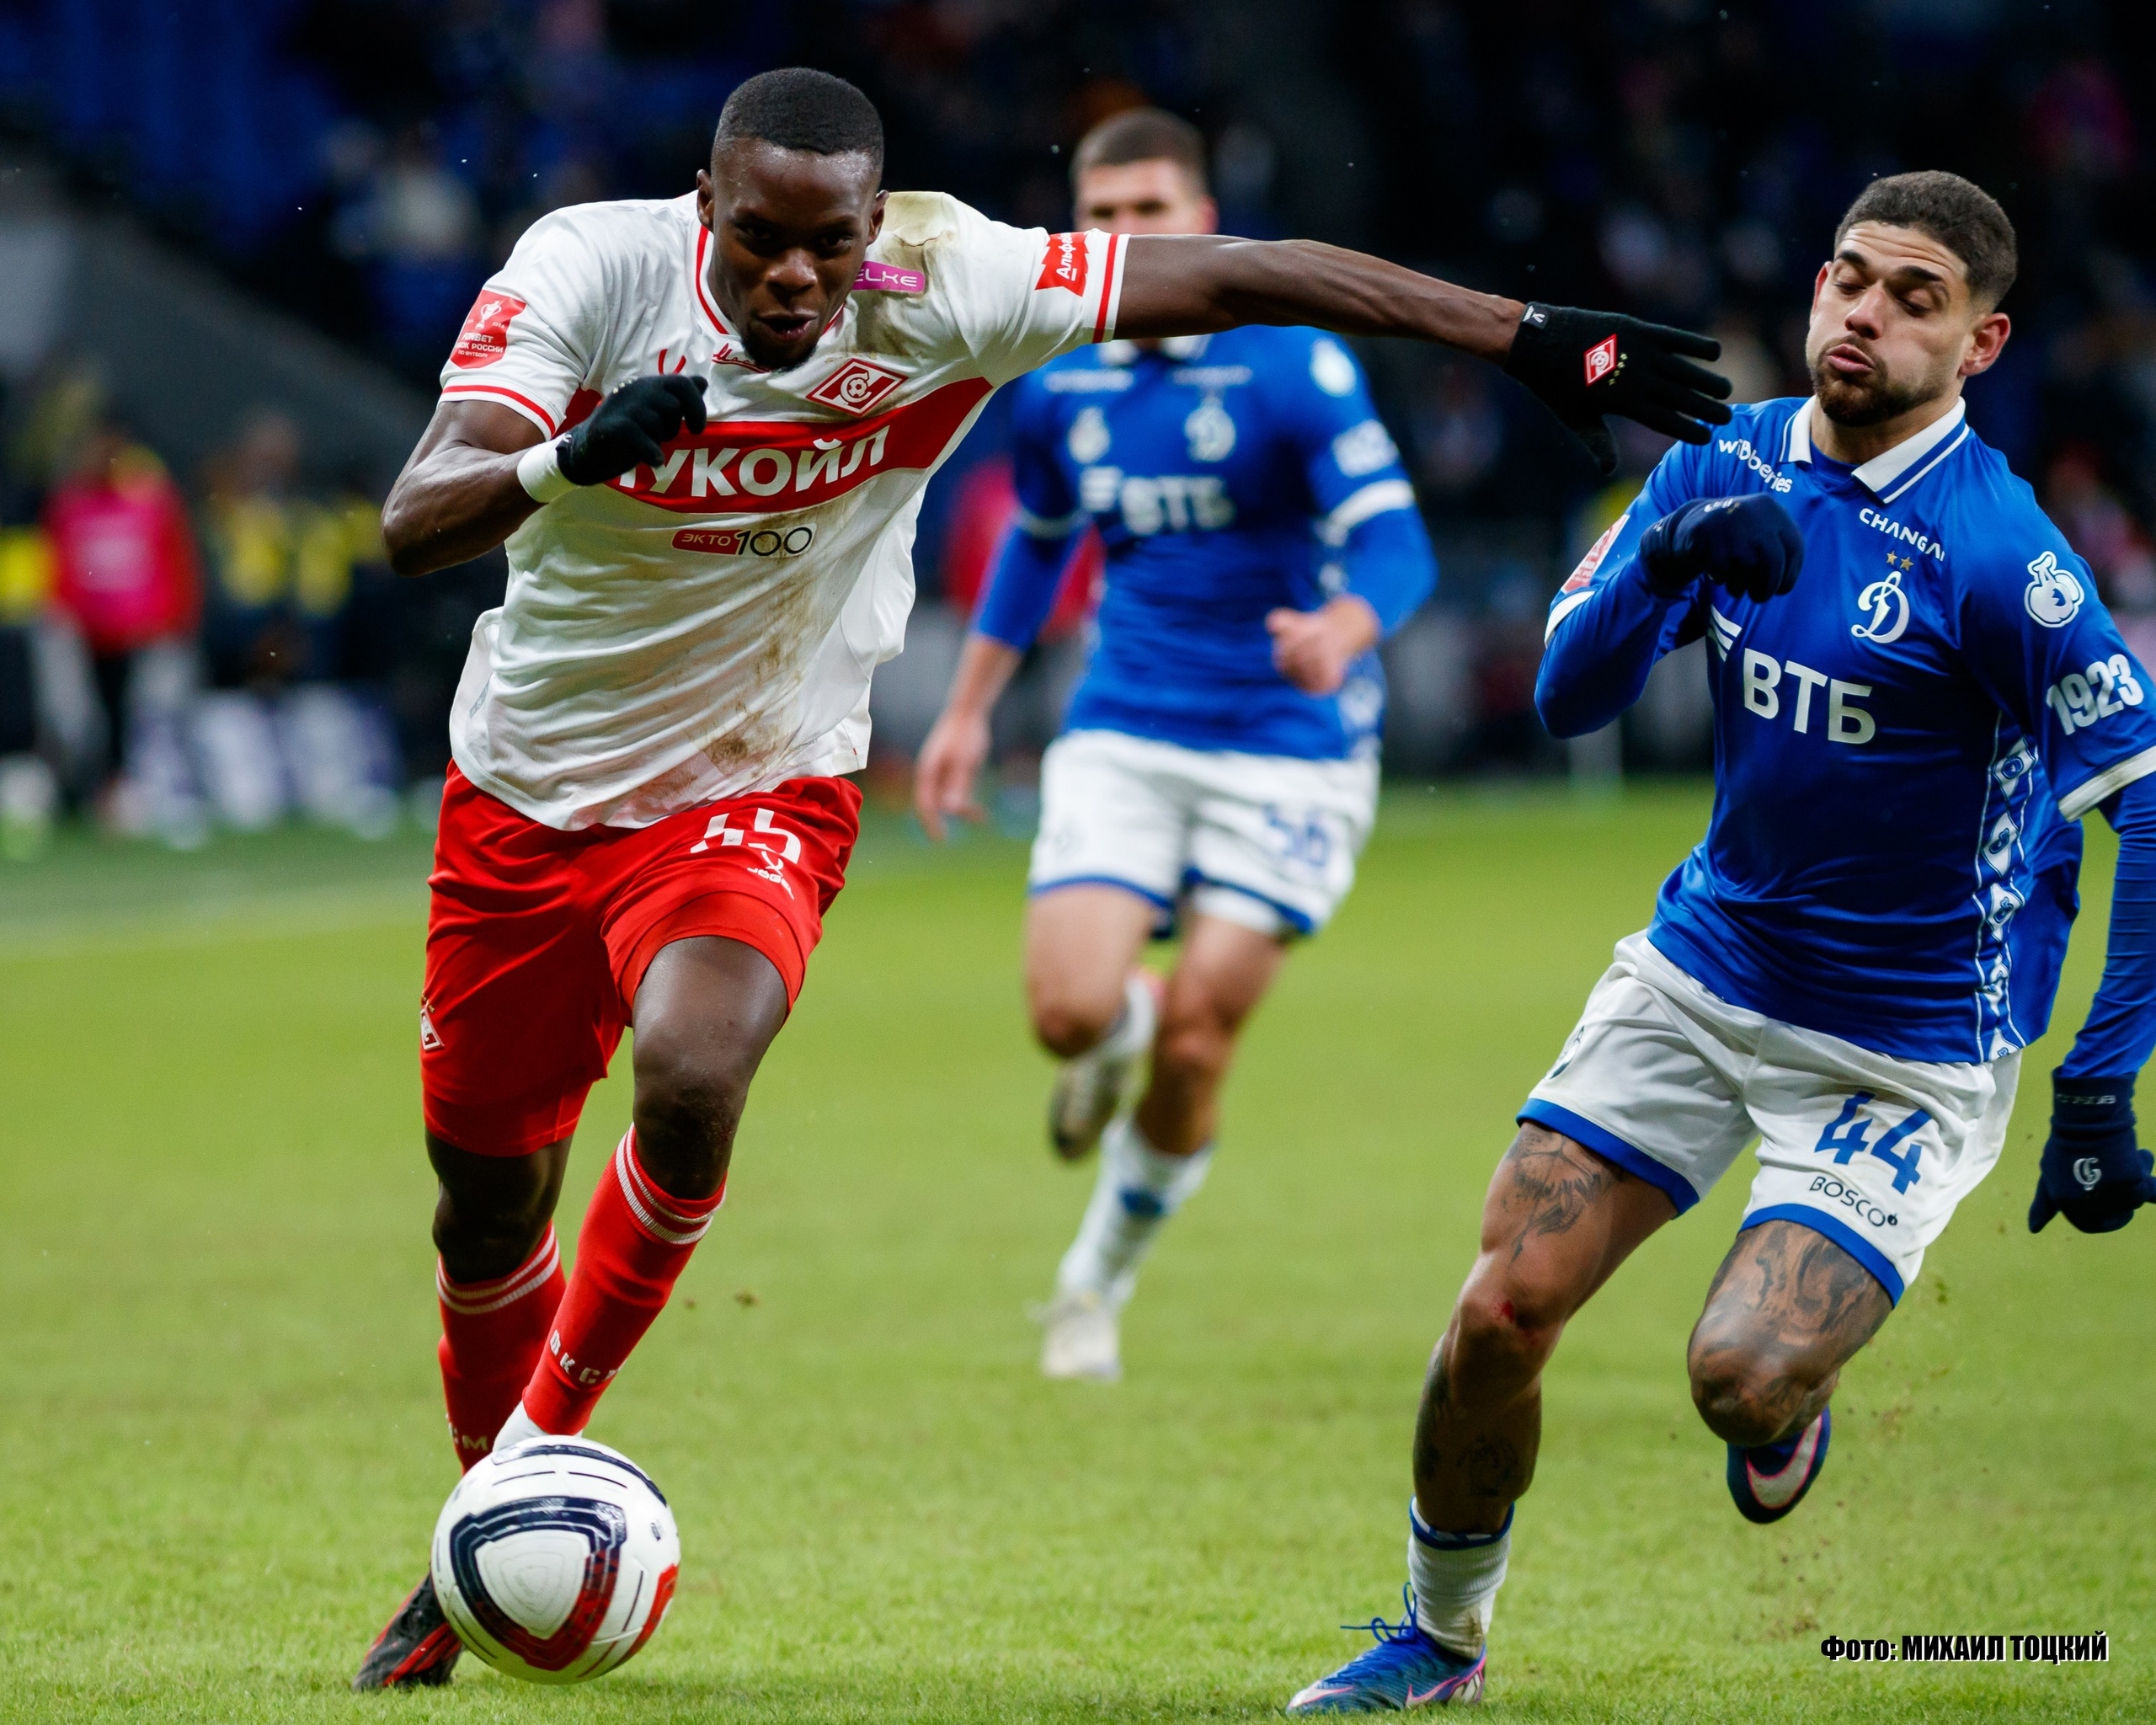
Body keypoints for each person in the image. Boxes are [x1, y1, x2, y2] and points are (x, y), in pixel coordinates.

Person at [350, 66, 1732, 1689]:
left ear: (875, 225)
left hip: (760, 782)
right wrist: (568, 460)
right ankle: (492, 1514)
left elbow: (1248, 273)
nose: (795, 279)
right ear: (702, 209)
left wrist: (1520, 337)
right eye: (758, 243)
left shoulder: (948, 279)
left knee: (697, 1067)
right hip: (524, 802)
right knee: (486, 1206)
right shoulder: (588, 269)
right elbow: (409, 519)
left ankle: (512, 1502)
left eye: (830, 245)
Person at [1288, 170, 2156, 1714]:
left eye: (1915, 298)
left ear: (1984, 342)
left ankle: (1783, 1407)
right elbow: (1567, 697)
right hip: (1703, 977)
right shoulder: (1723, 458)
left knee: (1735, 1374)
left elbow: (2141, 809)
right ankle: (1439, 1638)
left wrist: (2099, 1082)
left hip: (1901, 1055)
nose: (1865, 314)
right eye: (1848, 278)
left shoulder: (2004, 561)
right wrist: (1670, 556)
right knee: (1497, 1312)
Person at [911, 109, 1438, 1381]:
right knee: (1066, 1011)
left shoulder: (1290, 367)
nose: (1125, 236)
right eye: (1101, 216)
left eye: (1150, 211)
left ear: (1202, 221)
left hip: (1290, 741)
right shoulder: (1060, 377)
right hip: (1128, 723)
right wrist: (971, 709)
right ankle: (1115, 1029)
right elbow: (1038, 547)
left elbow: (1395, 544)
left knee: (1203, 1035)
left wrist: (1345, 628)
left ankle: (1093, 1281)